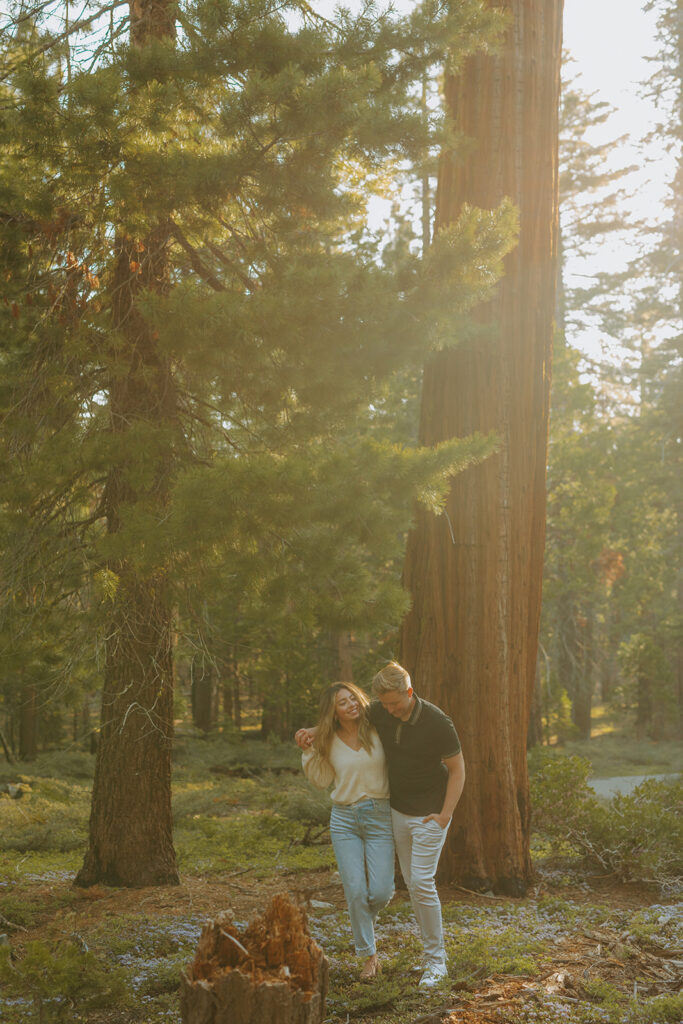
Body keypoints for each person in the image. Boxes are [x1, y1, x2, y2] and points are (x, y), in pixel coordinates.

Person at [296, 662, 465, 990]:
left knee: (406, 886)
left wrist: (445, 814)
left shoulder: (420, 721)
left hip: (412, 813)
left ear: (410, 692)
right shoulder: (381, 713)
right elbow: (340, 726)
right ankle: (370, 949)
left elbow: (458, 769)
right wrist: (313, 736)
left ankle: (434, 960)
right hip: (377, 815)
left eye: (394, 703)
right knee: (365, 890)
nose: (389, 709)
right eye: (384, 704)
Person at [299, 682, 395, 981]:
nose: (351, 704)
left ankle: (362, 917)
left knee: (379, 892)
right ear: (334, 711)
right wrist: (309, 749)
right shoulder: (328, 739)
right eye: (343, 702)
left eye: (353, 698)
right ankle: (369, 956)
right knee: (355, 891)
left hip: (380, 817)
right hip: (344, 820)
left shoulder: (377, 726)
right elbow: (321, 780)